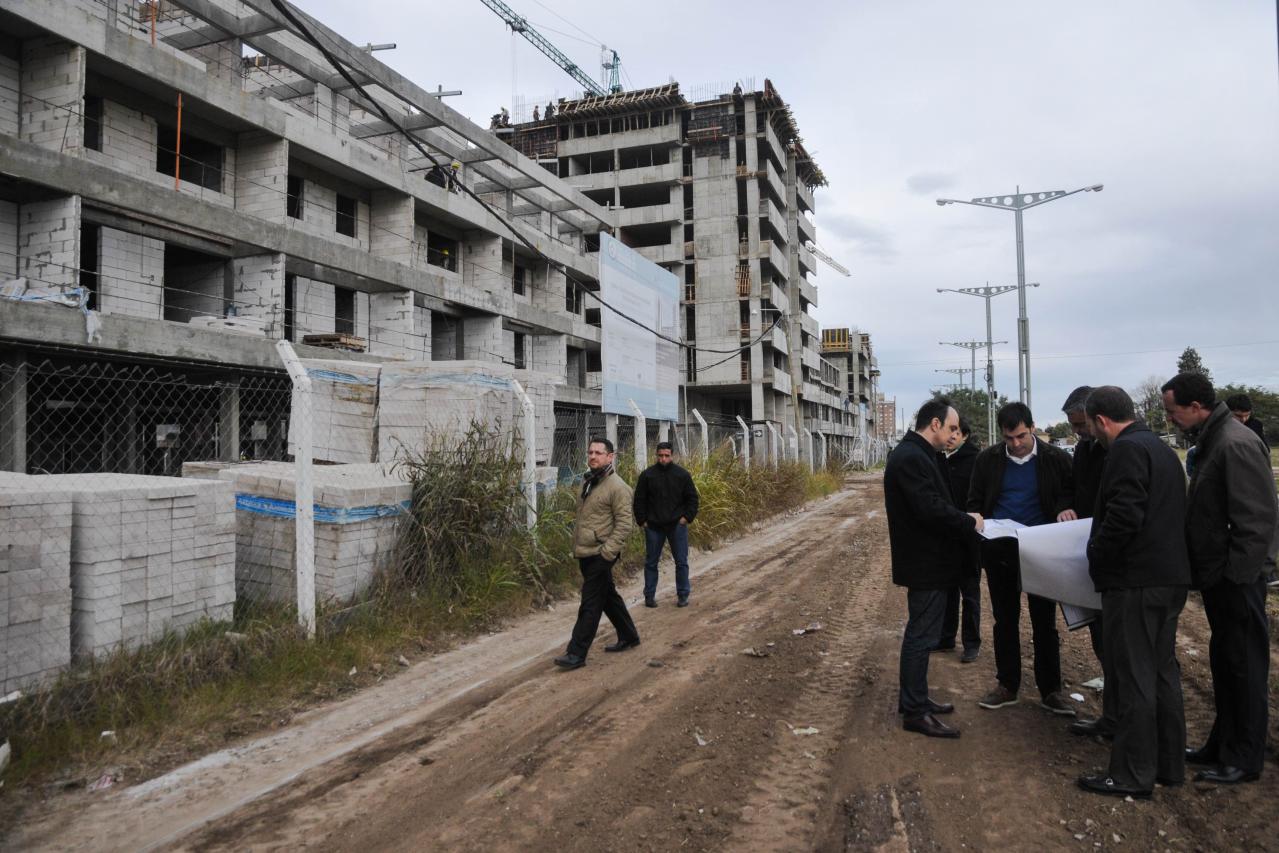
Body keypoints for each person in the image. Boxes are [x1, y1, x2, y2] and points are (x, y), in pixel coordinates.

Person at [1162, 373, 1276, 784]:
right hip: (1222, 579)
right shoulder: (1215, 439)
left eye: (1172, 411)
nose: (1169, 419)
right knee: (1226, 662)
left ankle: (1244, 757)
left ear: (1196, 408)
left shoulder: (1236, 443)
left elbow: (1257, 523)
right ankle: (1222, 743)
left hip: (1238, 582)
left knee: (1244, 666)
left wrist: (1236, 578)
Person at [1077, 386, 1190, 798]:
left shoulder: (1125, 450)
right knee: (1162, 673)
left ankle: (1130, 773)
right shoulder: (1159, 449)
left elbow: (1125, 514)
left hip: (1135, 582)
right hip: (1169, 578)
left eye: (1089, 425)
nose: (1091, 433)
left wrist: (1096, 553)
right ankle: (1168, 764)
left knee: (1134, 677)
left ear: (1102, 420)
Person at [967, 402, 1076, 715]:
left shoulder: (1057, 459)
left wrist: (1064, 509)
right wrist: (980, 525)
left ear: (1033, 427)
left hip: (1042, 550)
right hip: (1001, 550)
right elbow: (975, 501)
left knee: (1045, 622)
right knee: (1005, 620)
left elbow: (1070, 494)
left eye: (1021, 436)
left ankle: (1051, 690)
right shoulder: (987, 461)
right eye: (1009, 438)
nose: (1015, 444)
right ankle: (1007, 684)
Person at [883, 400, 984, 738]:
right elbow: (930, 508)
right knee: (920, 636)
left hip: (932, 561)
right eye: (953, 429)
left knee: (924, 635)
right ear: (936, 424)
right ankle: (914, 710)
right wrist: (968, 522)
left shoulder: (923, 454)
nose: (956, 435)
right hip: (924, 562)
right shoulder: (911, 457)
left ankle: (918, 699)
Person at [554, 438, 640, 670]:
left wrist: (607, 554)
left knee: (590, 604)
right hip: (585, 551)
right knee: (608, 598)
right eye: (590, 452)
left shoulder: (618, 487)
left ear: (610, 457)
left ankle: (576, 653)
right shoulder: (589, 482)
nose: (593, 456)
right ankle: (629, 635)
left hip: (600, 554)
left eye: (599, 453)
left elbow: (624, 525)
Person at [1061, 385, 1116, 739]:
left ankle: (1124, 719)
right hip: (1089, 553)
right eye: (1073, 425)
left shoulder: (1121, 451)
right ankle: (1112, 716)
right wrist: (1065, 507)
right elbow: (1074, 488)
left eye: (1081, 424)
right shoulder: (1083, 450)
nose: (1078, 431)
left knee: (1120, 646)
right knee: (1100, 638)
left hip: (1114, 557)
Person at [935, 417, 981, 663]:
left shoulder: (975, 460)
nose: (951, 436)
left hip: (969, 536)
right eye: (949, 430)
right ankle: (946, 637)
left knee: (970, 593)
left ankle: (971, 644)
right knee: (948, 591)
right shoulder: (940, 458)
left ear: (965, 435)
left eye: (957, 432)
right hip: (947, 536)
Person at [633, 441, 700, 608]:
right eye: (660, 456)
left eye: (666, 456)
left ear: (672, 455)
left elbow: (692, 498)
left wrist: (686, 518)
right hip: (653, 527)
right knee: (651, 562)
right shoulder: (647, 475)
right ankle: (649, 596)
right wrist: (643, 521)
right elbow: (639, 500)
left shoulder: (682, 475)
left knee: (681, 562)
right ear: (656, 456)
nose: (663, 459)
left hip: (676, 525)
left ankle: (683, 595)